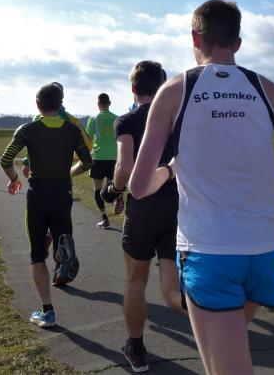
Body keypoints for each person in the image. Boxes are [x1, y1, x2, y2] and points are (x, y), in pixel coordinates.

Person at [129, 0, 274, 374]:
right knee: (224, 357)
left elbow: (139, 186)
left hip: (209, 250)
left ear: (195, 38)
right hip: (262, 252)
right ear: (237, 43)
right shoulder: (269, 90)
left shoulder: (174, 90)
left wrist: (170, 171)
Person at [101, 60, 185, 372]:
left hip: (143, 207)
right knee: (172, 288)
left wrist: (113, 190)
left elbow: (124, 168)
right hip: (176, 206)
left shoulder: (127, 120)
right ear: (163, 88)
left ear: (133, 88)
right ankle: (216, 325)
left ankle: (135, 348)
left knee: (136, 280)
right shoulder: (177, 119)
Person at [0, 82, 93, 328]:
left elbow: (6, 159)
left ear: (37, 104)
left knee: (36, 254)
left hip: (38, 195)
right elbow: (87, 162)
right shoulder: (72, 130)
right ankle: (63, 248)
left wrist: (14, 179)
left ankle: (47, 311)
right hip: (63, 193)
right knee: (61, 231)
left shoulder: (27, 129)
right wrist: (69, 173)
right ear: (60, 104)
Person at [86, 93, 122, 228]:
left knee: (97, 188)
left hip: (98, 157)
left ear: (98, 104)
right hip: (113, 157)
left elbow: (89, 140)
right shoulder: (117, 118)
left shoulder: (93, 119)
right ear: (109, 103)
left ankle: (104, 218)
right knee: (111, 185)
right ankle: (116, 199)